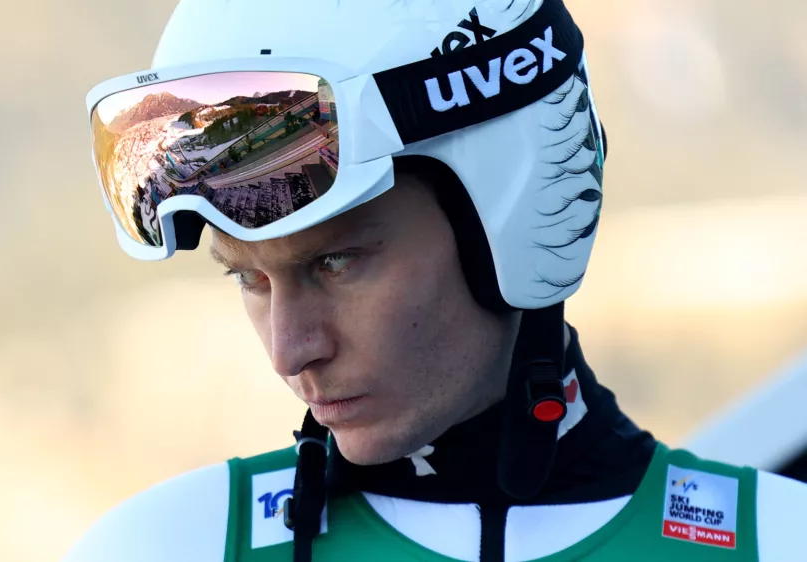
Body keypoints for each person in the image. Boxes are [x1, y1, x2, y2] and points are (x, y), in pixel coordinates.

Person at [67, 0, 807, 560]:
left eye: (335, 263)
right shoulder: (164, 546)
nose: (291, 353)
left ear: (511, 218)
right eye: (249, 281)